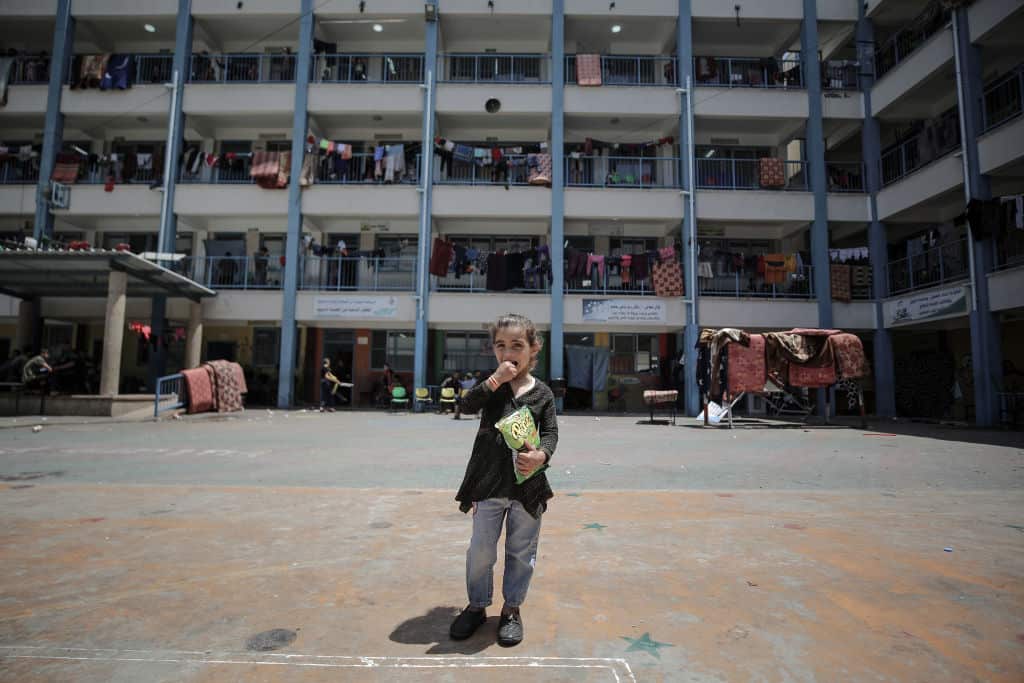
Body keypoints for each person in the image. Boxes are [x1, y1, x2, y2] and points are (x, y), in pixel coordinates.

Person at [449, 313, 558, 647]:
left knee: (521, 551)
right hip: (489, 484)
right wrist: (495, 380)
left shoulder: (542, 393)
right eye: (501, 345)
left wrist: (541, 455)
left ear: (533, 348)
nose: (508, 351)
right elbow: (465, 406)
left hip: (527, 486)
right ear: (493, 349)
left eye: (517, 345)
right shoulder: (491, 386)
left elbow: (551, 433)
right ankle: (478, 605)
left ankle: (511, 610)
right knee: (481, 551)